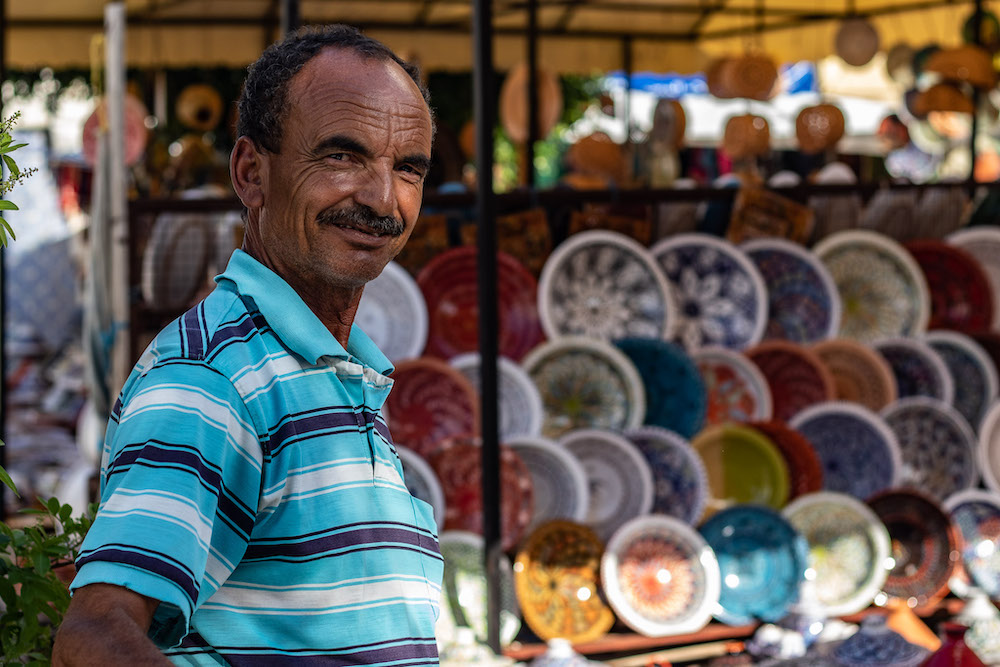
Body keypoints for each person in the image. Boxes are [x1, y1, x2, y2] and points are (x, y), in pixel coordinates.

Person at [53, 24, 441, 665]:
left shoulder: (327, 369)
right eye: (341, 156)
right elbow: (93, 639)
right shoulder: (213, 380)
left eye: (407, 168)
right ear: (251, 172)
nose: (381, 198)